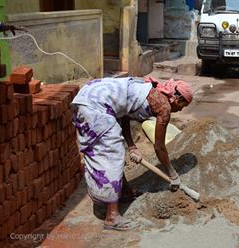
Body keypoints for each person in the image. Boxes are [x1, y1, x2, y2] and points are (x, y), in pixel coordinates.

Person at [71, 77, 193, 230]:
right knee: (111, 156)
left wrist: (132, 146)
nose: (181, 109)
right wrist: (172, 174)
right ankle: (112, 217)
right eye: (183, 104)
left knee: (112, 150)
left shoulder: (149, 90)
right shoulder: (164, 107)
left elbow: (124, 114)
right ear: (177, 98)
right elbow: (159, 147)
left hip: (87, 97)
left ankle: (124, 193)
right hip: (96, 105)